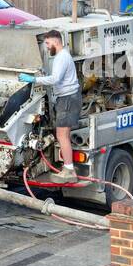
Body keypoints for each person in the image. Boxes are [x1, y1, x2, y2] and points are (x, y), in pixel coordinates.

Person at [19, 29, 81, 183]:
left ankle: (69, 171)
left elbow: (55, 79)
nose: (47, 47)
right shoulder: (64, 56)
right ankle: (68, 168)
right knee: (63, 135)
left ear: (55, 41)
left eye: (47, 43)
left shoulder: (61, 57)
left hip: (67, 99)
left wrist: (34, 79)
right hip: (68, 98)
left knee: (62, 136)